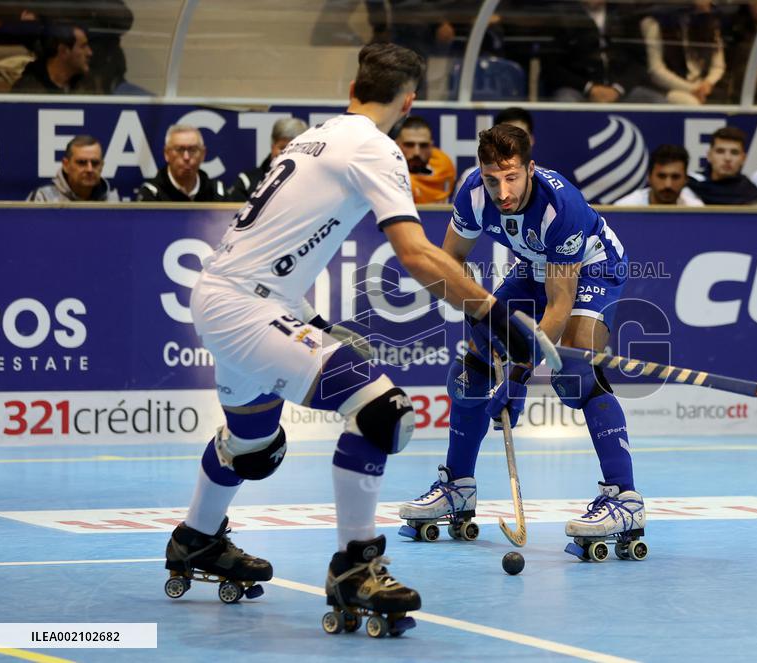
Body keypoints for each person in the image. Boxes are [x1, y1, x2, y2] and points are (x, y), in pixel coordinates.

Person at [165, 43, 556, 630]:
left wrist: (310, 322)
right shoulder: (375, 148)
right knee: (383, 412)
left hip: (225, 297)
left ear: (354, 86)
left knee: (255, 445)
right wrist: (496, 316)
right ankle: (356, 566)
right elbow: (417, 254)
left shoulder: (311, 136)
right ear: (410, 99)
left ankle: (196, 538)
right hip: (246, 307)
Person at [400, 123, 648, 560]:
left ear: (530, 169)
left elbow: (558, 304)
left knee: (575, 370)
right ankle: (457, 487)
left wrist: (516, 376)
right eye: (493, 179)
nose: (503, 190)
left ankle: (624, 500)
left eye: (512, 177)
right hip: (533, 268)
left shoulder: (559, 206)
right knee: (470, 369)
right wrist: (480, 318)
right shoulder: (474, 194)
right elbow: (450, 264)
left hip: (591, 268)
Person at [540, 0, 666, 103]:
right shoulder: (560, 16)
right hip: (577, 89)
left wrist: (618, 89)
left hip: (621, 90)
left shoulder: (624, 14)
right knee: (565, 103)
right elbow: (551, 67)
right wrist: (589, 88)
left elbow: (639, 62)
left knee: (658, 102)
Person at [640, 0, 726, 105]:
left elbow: (718, 66)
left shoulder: (709, 22)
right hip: (667, 88)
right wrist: (692, 89)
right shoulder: (653, 23)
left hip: (702, 87)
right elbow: (656, 71)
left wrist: (708, 83)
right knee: (690, 103)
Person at [136, 125, 226, 202]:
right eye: (179, 149)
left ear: (203, 154)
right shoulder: (152, 194)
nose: (186, 157)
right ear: (166, 154)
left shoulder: (217, 192)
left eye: (192, 150)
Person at [227, 117, 308, 202]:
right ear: (272, 146)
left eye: (293, 148)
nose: (286, 154)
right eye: (283, 148)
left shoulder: (311, 183)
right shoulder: (247, 182)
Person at [456, 106, 535, 192]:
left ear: (531, 140)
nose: (512, 143)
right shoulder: (470, 179)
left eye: (520, 137)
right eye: (506, 136)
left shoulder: (547, 184)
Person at [26, 134, 119, 202]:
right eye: (81, 163)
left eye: (95, 163)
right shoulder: (44, 198)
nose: (89, 169)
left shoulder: (112, 200)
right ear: (66, 165)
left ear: (102, 166)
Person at [686, 126, 757, 205]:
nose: (727, 158)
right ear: (709, 156)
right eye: (720, 151)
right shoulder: (689, 184)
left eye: (734, 152)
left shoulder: (753, 197)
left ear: (743, 158)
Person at [11, 21, 90, 93]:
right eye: (83, 46)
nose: (90, 53)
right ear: (63, 50)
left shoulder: (88, 86)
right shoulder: (27, 91)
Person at [614, 144, 704, 206]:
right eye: (661, 176)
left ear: (686, 179)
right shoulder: (626, 209)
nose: (668, 185)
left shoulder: (697, 210)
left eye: (675, 177)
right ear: (649, 177)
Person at [395, 115, 457, 204]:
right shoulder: (386, 174)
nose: (417, 152)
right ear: (396, 145)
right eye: (409, 145)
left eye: (423, 145)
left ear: (431, 146)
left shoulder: (445, 166)